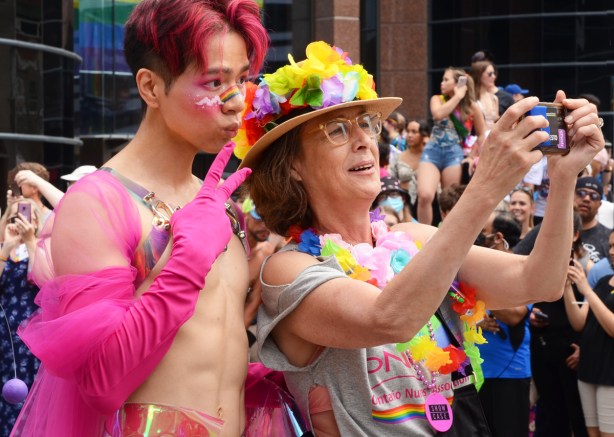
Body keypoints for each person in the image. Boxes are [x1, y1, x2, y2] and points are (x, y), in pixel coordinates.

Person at [233, 40, 604, 436]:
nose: (364, 140)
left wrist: (564, 177)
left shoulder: (412, 238)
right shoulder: (287, 269)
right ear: (292, 166)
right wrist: (484, 186)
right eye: (338, 130)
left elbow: (540, 281)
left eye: (367, 124)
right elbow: (390, 318)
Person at [12, 1, 268, 435]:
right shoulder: (98, 202)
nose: (235, 101)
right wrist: (187, 259)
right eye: (215, 81)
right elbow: (102, 381)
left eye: (242, 79)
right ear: (151, 87)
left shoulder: (219, 200)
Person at [517, 213, 592, 437]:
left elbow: (584, 320)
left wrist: (569, 284)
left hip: (571, 353)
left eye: (565, 231)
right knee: (548, 414)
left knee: (577, 416)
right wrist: (530, 314)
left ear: (575, 235)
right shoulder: (537, 262)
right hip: (541, 347)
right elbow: (523, 300)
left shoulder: (585, 267)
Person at [476, 211, 532, 437]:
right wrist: (477, 320)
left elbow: (515, 315)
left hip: (509, 372)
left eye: (483, 232)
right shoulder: (475, 266)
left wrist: (479, 286)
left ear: (498, 237)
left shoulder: (522, 268)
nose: (478, 237)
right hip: (477, 372)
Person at [417, 68, 485, 225]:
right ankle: (423, 234)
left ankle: (445, 234)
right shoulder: (437, 99)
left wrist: (471, 155)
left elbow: (481, 135)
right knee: (425, 195)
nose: (442, 83)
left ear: (458, 83)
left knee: (449, 199)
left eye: (446, 80)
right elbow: (438, 114)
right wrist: (458, 96)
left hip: (453, 153)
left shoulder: (472, 107)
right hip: (432, 151)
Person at [563, 229, 614, 437]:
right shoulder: (604, 281)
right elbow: (579, 323)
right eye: (610, 246)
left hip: (610, 373)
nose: (611, 251)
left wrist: (587, 290)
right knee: (591, 434)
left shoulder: (593, 288)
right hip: (589, 368)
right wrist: (567, 288)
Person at [0, 199, 42, 435]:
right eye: (15, 216)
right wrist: (6, 247)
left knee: (32, 387)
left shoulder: (43, 248)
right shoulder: (2, 247)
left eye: (27, 216)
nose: (21, 221)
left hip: (32, 332)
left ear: (35, 221)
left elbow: (40, 281)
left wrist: (30, 242)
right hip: (5, 334)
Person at [388, 119, 430, 212]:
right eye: (408, 131)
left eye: (414, 132)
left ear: (424, 135)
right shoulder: (398, 157)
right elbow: (390, 180)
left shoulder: (430, 157)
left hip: (427, 206)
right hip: (403, 205)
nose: (410, 135)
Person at [574, 177, 612, 263]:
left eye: (594, 196)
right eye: (581, 193)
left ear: (600, 204)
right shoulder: (555, 230)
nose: (587, 199)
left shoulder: (609, 238)